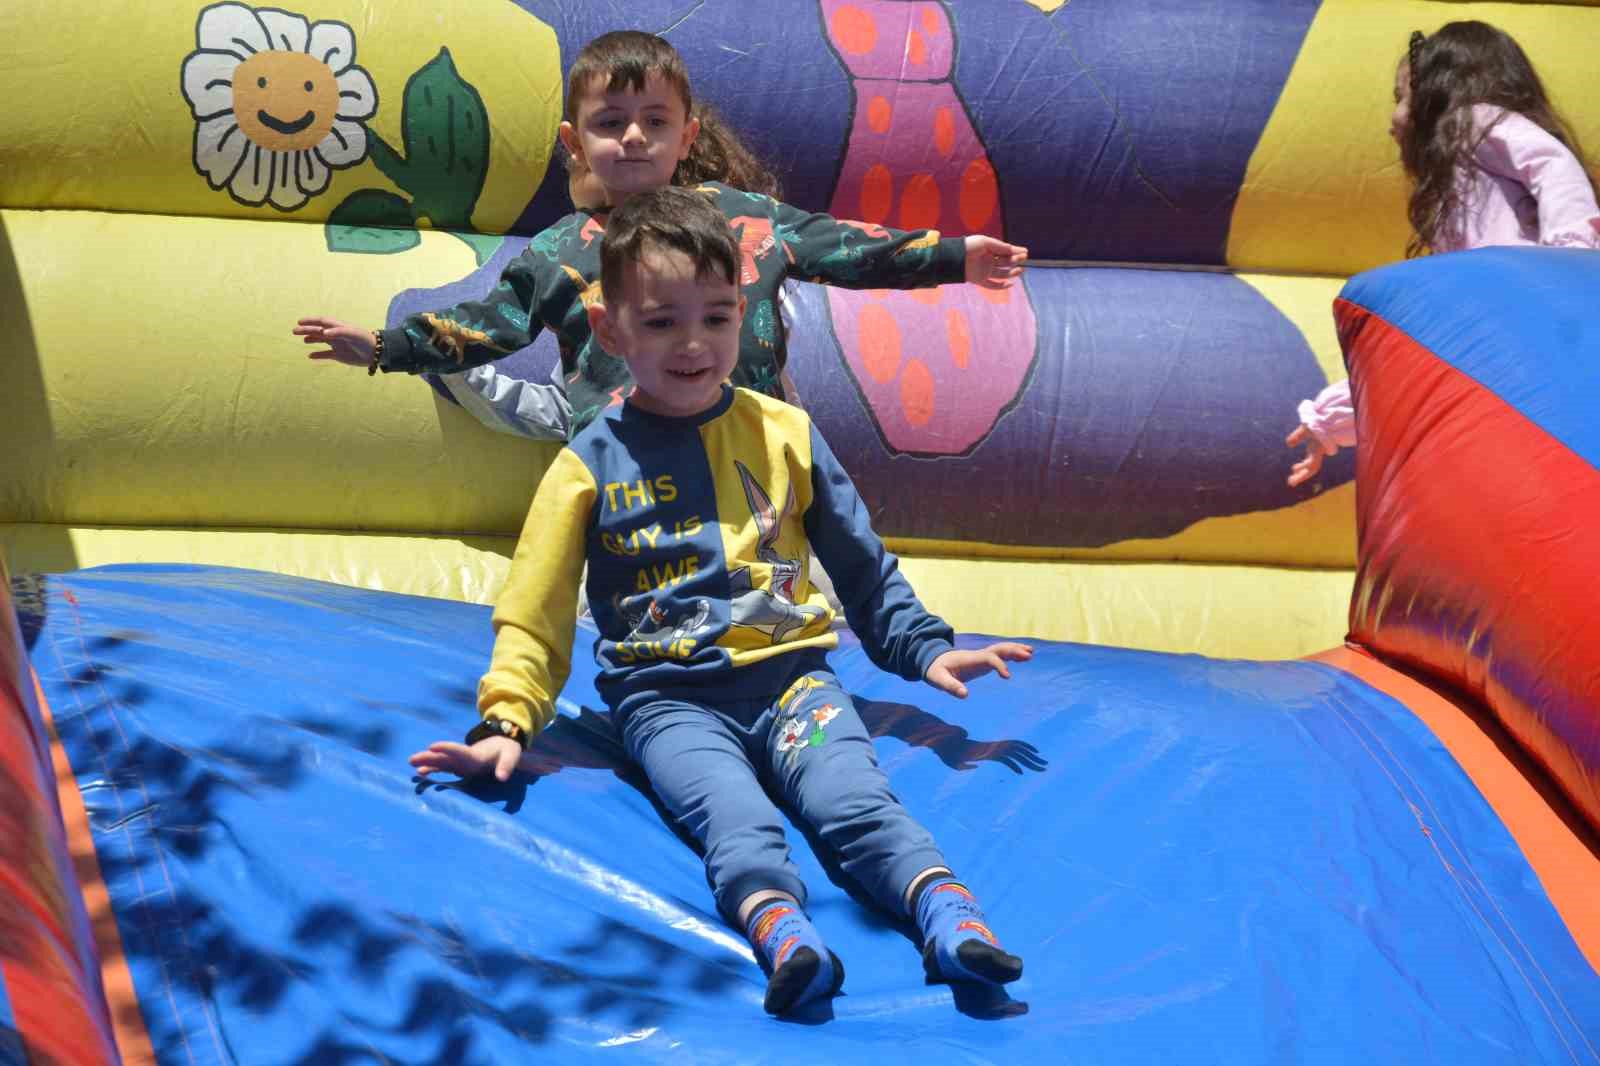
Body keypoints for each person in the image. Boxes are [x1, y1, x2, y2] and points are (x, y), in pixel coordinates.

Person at [409, 187, 1030, 1015]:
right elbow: (538, 605)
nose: (694, 343)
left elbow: (858, 556)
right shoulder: (590, 463)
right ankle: (785, 933)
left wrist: (923, 645)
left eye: (717, 317)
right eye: (663, 322)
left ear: (748, 318)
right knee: (733, 820)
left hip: (793, 682)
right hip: (668, 701)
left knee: (855, 798)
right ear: (611, 332)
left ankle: (950, 919)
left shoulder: (785, 432)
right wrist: (505, 721)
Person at [296, 30, 1026, 440]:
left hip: (749, 447)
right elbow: (493, 323)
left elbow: (847, 247)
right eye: (610, 123)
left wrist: (959, 256)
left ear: (687, 137)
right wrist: (388, 348)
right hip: (626, 460)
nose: (634, 137)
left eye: (655, 121)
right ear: (576, 142)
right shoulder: (561, 250)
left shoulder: (744, 220)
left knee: (792, 602)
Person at [1287, 20, 1599, 487]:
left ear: (1437, 93)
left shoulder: (1472, 120)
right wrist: (1332, 418)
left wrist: (1569, 258)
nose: (1393, 121)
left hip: (1533, 309)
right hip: (1506, 336)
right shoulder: (1453, 207)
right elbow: (1436, 350)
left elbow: (1550, 165)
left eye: (1401, 97)